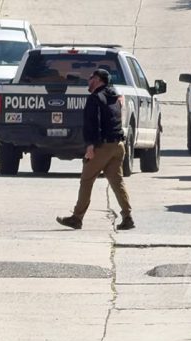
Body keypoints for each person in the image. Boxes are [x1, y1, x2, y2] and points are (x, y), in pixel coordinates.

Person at [57, 68, 134, 230]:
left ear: (98, 80)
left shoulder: (95, 98)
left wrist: (90, 146)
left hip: (102, 146)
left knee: (86, 181)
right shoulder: (115, 96)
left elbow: (94, 124)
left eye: (91, 77)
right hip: (118, 145)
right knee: (117, 182)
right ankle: (128, 217)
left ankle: (76, 218)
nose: (88, 80)